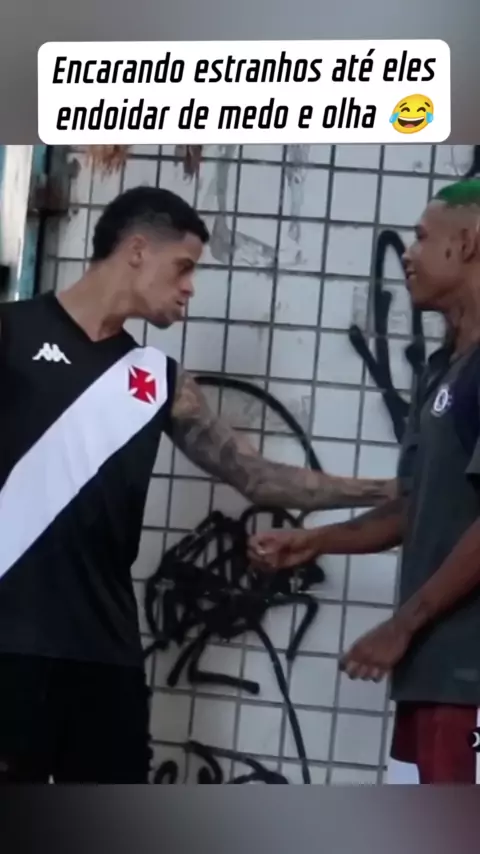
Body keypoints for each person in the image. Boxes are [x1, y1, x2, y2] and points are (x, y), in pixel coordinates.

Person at [0, 185, 391, 784]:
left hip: (103, 654)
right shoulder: (12, 332)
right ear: (137, 250)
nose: (190, 288)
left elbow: (258, 478)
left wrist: (390, 490)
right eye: (183, 267)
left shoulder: (158, 379)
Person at [249, 178, 480, 784]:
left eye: (423, 238)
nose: (409, 253)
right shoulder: (444, 368)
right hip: (432, 678)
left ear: (467, 243)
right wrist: (316, 540)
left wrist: (403, 623)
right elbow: (415, 506)